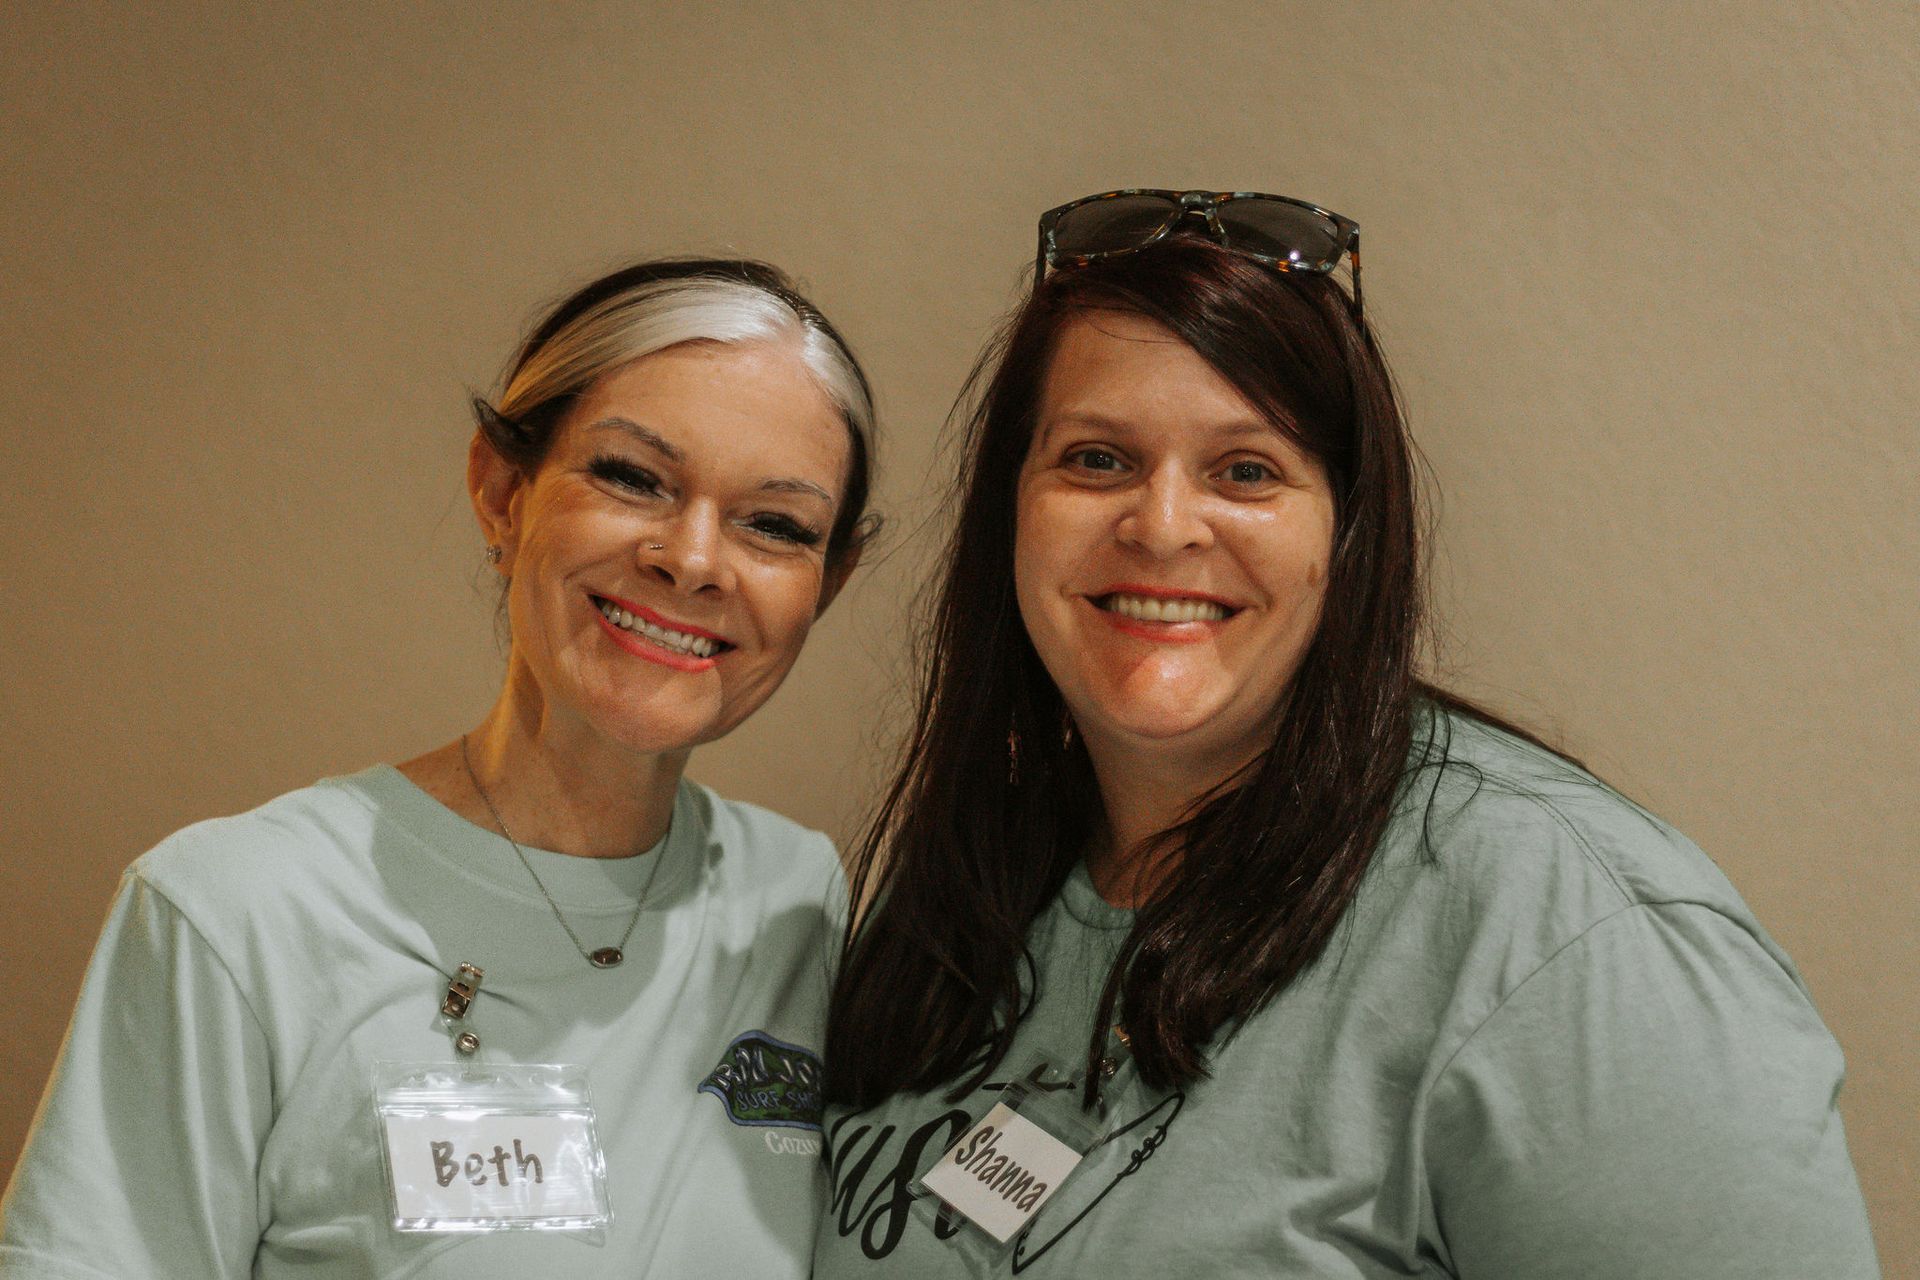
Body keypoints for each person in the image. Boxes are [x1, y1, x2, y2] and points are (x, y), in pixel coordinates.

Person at [813, 191, 1880, 1277]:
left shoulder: (1571, 931)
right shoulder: (975, 874)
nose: (1162, 523)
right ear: (1011, 509)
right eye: (1097, 459)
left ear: (1349, 530)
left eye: (1247, 470)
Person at [0, 257, 876, 1278]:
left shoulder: (797, 903)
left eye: (775, 525)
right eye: (633, 478)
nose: (691, 558)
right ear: (502, 492)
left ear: (827, 580)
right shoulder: (234, 909)